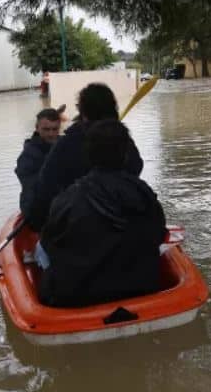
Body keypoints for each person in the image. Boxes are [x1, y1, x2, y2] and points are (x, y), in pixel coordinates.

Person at [38, 119, 166, 307]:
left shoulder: (66, 199)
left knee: (40, 249)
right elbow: (159, 234)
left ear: (88, 155)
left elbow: (49, 243)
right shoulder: (143, 192)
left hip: (78, 296)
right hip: (141, 287)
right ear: (125, 155)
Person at [24, 83, 143, 231]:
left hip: (77, 228)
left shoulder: (67, 144)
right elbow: (136, 168)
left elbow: (45, 189)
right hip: (122, 226)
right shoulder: (125, 141)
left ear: (83, 112)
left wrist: (36, 223)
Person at [15, 106, 64, 214]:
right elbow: (34, 188)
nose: (51, 134)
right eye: (46, 129)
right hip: (36, 208)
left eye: (55, 129)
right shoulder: (27, 156)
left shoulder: (64, 145)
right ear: (37, 128)